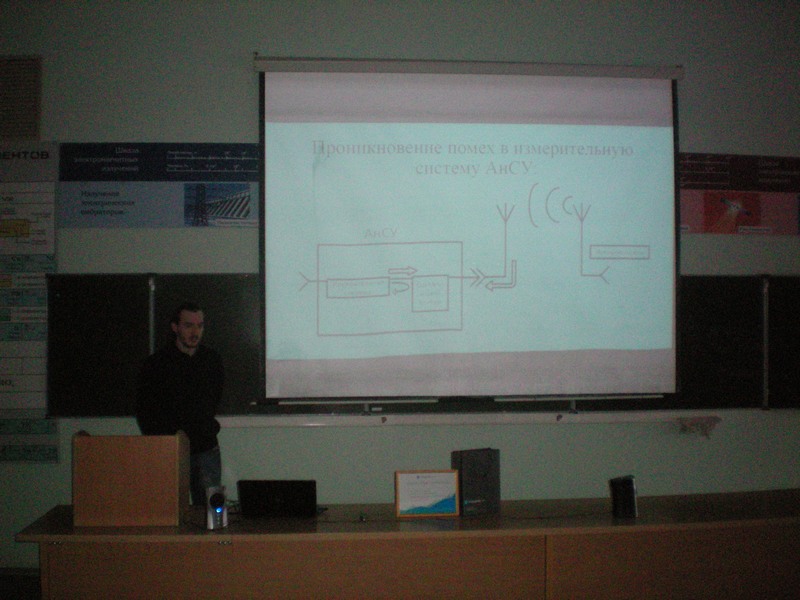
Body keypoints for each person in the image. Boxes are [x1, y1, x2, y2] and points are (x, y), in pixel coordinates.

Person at [136, 301, 224, 506]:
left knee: (209, 509)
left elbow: (214, 400)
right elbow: (145, 409)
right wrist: (163, 440)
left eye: (200, 326)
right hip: (169, 449)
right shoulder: (156, 364)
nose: (195, 332)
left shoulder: (212, 360)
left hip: (205, 447)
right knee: (168, 508)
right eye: (188, 325)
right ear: (175, 327)